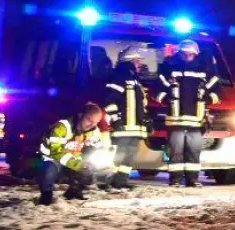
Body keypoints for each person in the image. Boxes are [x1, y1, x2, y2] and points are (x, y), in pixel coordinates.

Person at [158, 39, 218, 188]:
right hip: (175, 119)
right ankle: (175, 179)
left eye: (190, 54)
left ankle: (193, 179)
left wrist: (208, 99)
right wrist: (166, 99)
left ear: (196, 54)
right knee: (175, 151)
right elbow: (157, 89)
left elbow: (217, 91)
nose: (188, 56)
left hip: (196, 120)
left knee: (194, 151)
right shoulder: (169, 67)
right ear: (179, 53)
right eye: (185, 53)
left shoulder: (204, 70)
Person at [38, 103, 111, 205]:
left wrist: (96, 161)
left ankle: (74, 192)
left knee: (89, 168)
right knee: (48, 173)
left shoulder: (93, 131)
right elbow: (56, 152)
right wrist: (78, 164)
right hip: (51, 158)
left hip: (71, 158)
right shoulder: (62, 127)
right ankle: (46, 197)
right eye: (89, 120)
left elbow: (98, 147)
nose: (92, 125)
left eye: (96, 122)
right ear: (81, 115)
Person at [100, 46, 149, 189]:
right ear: (129, 61)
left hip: (135, 127)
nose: (140, 64)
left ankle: (121, 181)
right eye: (138, 61)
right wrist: (115, 119)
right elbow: (108, 101)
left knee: (130, 155)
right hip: (123, 125)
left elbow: (140, 104)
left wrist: (146, 120)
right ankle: (110, 180)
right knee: (120, 154)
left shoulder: (135, 80)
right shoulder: (119, 77)